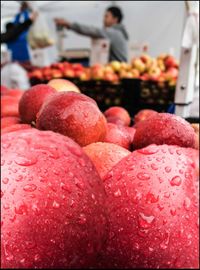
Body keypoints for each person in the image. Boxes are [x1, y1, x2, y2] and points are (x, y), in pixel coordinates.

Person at [55, 6, 129, 62]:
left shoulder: (113, 33)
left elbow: (92, 31)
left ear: (115, 19)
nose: (103, 19)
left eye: (106, 16)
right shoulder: (120, 33)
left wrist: (69, 24)